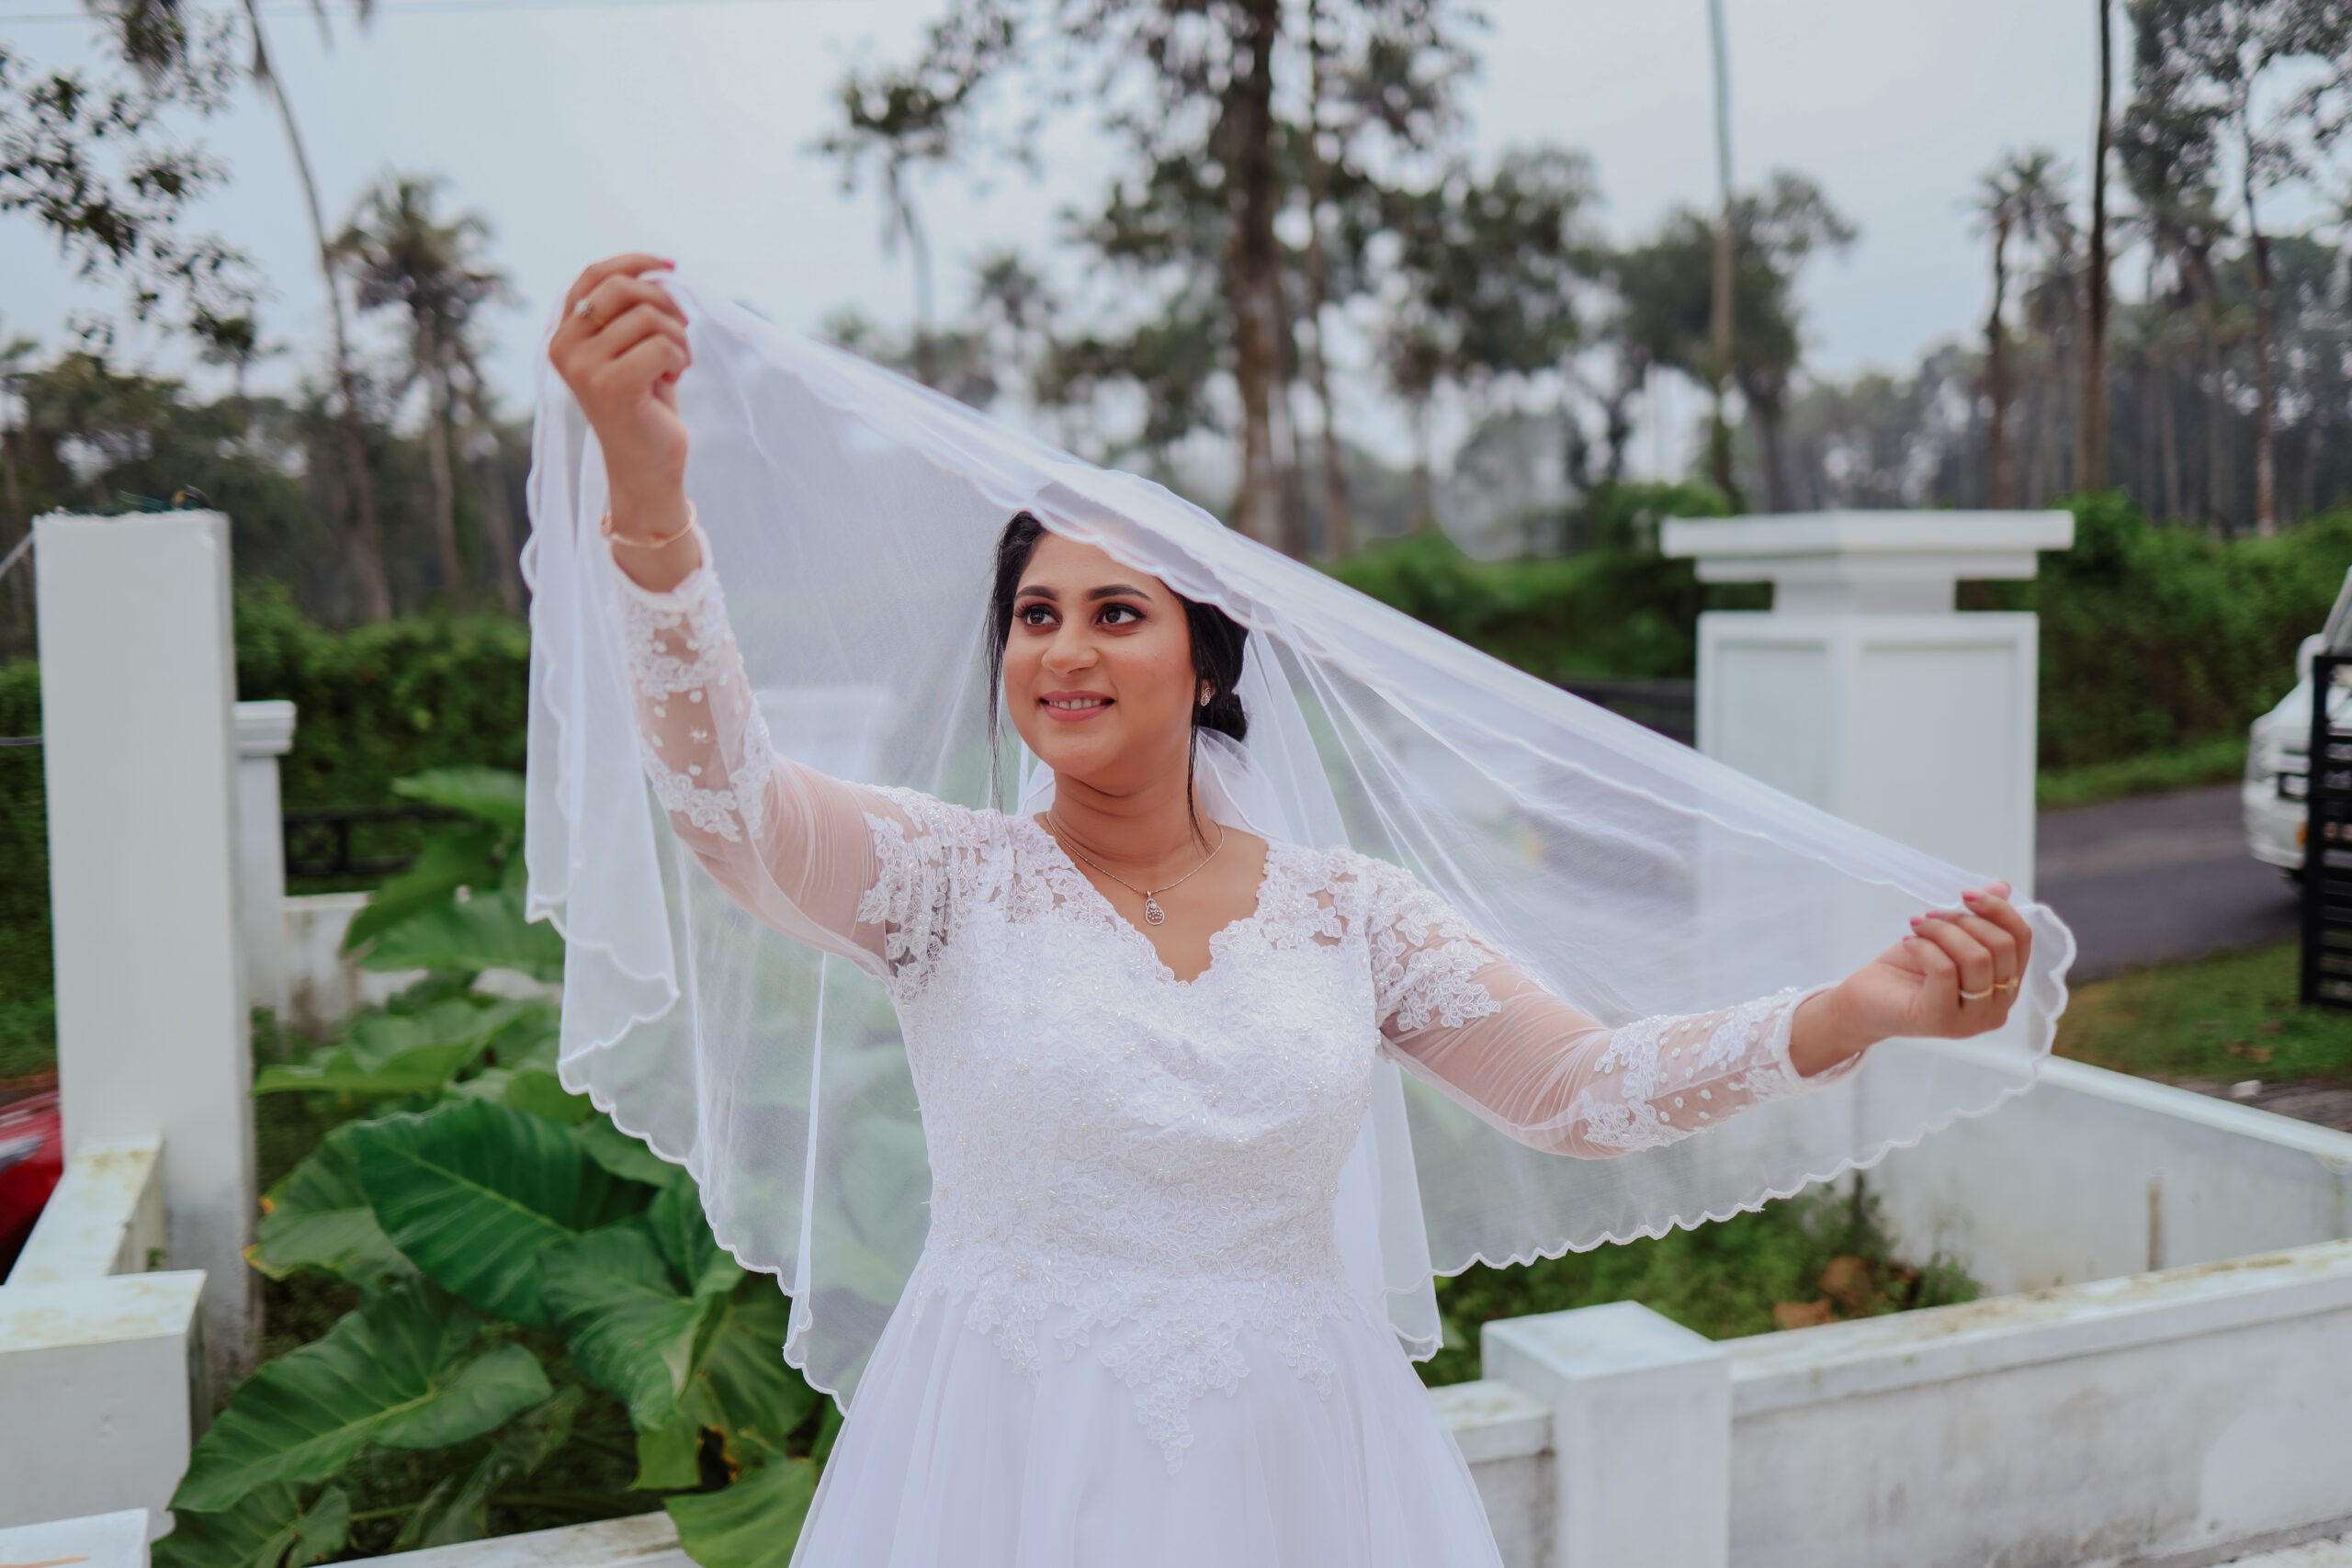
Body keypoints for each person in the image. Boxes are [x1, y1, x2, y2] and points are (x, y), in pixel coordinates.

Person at [539, 254, 2042, 1566]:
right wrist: (654, 510)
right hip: (1009, 1450)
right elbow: (728, 806)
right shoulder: (945, 883)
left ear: (1206, 664)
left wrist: (1854, 1013)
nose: (1064, 651)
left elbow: (1579, 1090)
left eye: (1117, 614)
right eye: (1036, 616)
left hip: (1304, 1465)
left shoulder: (1347, 914)